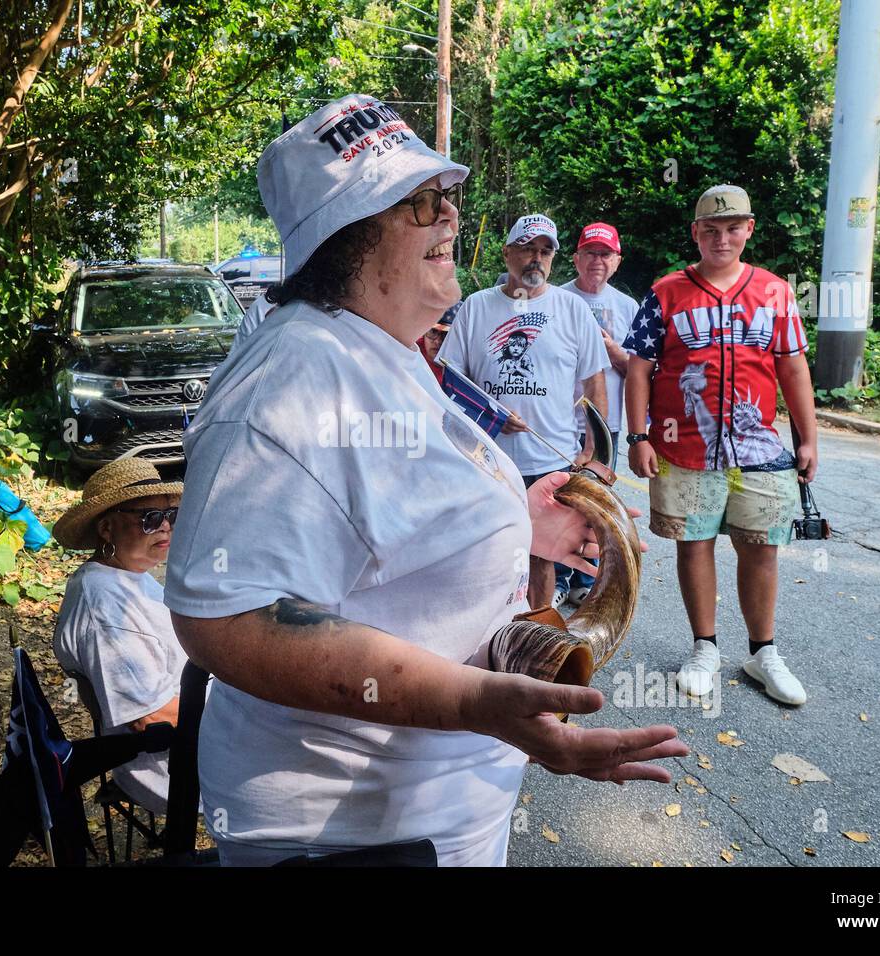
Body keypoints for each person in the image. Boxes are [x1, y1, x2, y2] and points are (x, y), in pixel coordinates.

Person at [164, 94, 685, 867]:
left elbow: (386, 509)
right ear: (343, 238)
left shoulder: (388, 347)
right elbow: (224, 619)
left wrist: (516, 515)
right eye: (420, 203)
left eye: (448, 196)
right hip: (352, 835)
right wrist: (474, 701)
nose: (449, 218)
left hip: (430, 811)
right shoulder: (290, 378)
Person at [622, 184, 819, 706]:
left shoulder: (775, 292)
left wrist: (809, 438)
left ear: (749, 230)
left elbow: (792, 365)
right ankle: (704, 647)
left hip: (756, 450)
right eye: (711, 230)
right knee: (695, 543)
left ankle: (763, 652)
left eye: (733, 228)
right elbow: (639, 367)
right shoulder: (666, 292)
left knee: (761, 547)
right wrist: (639, 435)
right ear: (696, 233)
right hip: (683, 448)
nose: (722, 238)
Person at [438, 213, 610, 610]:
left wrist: (594, 451)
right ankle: (485, 630)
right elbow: (450, 380)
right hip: (484, 457)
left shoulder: (572, 309)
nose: (536, 258)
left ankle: (538, 630)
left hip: (549, 457)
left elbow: (593, 382)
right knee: (484, 548)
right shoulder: (476, 308)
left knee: (540, 555)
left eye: (545, 251)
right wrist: (488, 414)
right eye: (527, 248)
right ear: (507, 252)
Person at [52, 458, 188, 812]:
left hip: (194, 735)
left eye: (170, 516)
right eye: (149, 518)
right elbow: (151, 717)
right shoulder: (104, 607)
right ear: (107, 529)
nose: (165, 529)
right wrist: (247, 709)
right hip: (170, 766)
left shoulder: (127, 575)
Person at [561, 222, 638, 472]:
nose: (597, 260)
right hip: (559, 424)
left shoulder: (628, 307)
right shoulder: (556, 300)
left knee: (595, 499)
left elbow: (640, 374)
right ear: (576, 259)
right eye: (590, 253)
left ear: (617, 261)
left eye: (605, 254)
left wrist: (613, 351)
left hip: (606, 426)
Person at [417, 301, 460, 387]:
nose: (437, 341)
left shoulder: (465, 365)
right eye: (433, 331)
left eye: (446, 334)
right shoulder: (410, 351)